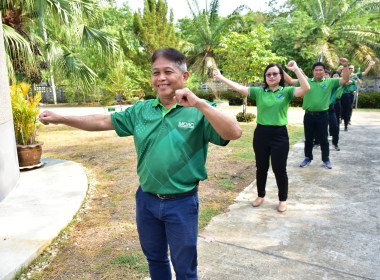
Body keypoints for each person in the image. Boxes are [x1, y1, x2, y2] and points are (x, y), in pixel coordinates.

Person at [39, 48, 242, 280]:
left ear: (184, 77)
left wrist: (200, 104)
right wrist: (62, 118)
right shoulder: (142, 110)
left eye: (168, 71)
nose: (161, 78)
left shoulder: (198, 111)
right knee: (155, 259)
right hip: (146, 200)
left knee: (185, 268)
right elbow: (103, 120)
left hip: (182, 202)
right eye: (156, 73)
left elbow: (234, 132)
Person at [213, 61, 310, 212]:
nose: (271, 76)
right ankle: (260, 195)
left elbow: (306, 88)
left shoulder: (287, 91)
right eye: (268, 74)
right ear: (265, 77)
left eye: (275, 74)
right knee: (261, 167)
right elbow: (238, 87)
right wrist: (220, 77)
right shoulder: (259, 92)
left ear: (280, 76)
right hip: (261, 134)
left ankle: (282, 199)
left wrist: (296, 69)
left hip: (280, 135)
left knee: (279, 169)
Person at [284, 58, 350, 169]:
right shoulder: (307, 81)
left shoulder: (330, 82)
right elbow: (291, 81)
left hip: (323, 115)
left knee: (324, 139)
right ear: (312, 71)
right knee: (308, 139)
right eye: (316, 70)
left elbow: (345, 79)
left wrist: (345, 65)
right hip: (309, 115)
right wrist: (280, 70)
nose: (318, 72)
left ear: (324, 72)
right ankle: (308, 158)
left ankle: (326, 159)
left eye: (321, 70)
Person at [341, 61, 375, 131]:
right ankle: (342, 118)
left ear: (354, 69)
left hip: (351, 94)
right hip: (343, 94)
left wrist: (370, 65)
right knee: (342, 108)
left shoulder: (356, 75)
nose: (350, 69)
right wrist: (354, 81)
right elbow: (346, 82)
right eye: (349, 68)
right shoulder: (344, 75)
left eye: (352, 68)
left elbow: (364, 73)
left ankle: (346, 123)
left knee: (349, 109)